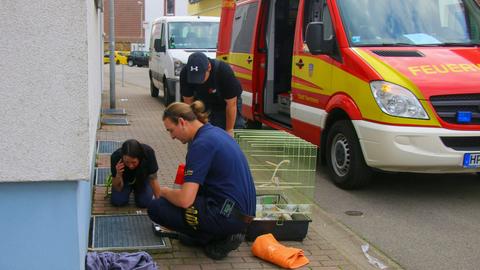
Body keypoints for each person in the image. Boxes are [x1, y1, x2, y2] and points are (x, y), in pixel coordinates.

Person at [147, 101, 256, 260]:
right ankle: (207, 234)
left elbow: (185, 200)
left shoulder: (201, 145)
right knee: (190, 197)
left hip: (228, 216)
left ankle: (218, 237)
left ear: (182, 122)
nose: (171, 137)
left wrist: (163, 191)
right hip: (243, 213)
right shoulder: (215, 132)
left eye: (171, 130)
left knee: (157, 207)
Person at [179, 52, 245, 137]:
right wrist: (192, 127)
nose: (198, 82)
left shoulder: (223, 71)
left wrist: (229, 130)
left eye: (200, 77)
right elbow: (189, 104)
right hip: (202, 103)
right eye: (194, 78)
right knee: (199, 134)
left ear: (209, 67)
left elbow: (231, 104)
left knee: (229, 135)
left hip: (226, 104)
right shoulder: (185, 74)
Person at [110, 139, 161, 208]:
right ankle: (129, 189)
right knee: (118, 201)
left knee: (144, 203)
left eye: (134, 162)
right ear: (122, 157)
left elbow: (153, 180)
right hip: (125, 181)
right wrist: (118, 175)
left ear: (139, 158)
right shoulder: (116, 157)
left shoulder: (148, 153)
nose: (130, 165)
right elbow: (118, 188)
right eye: (127, 162)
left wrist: (159, 202)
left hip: (142, 179)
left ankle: (138, 191)